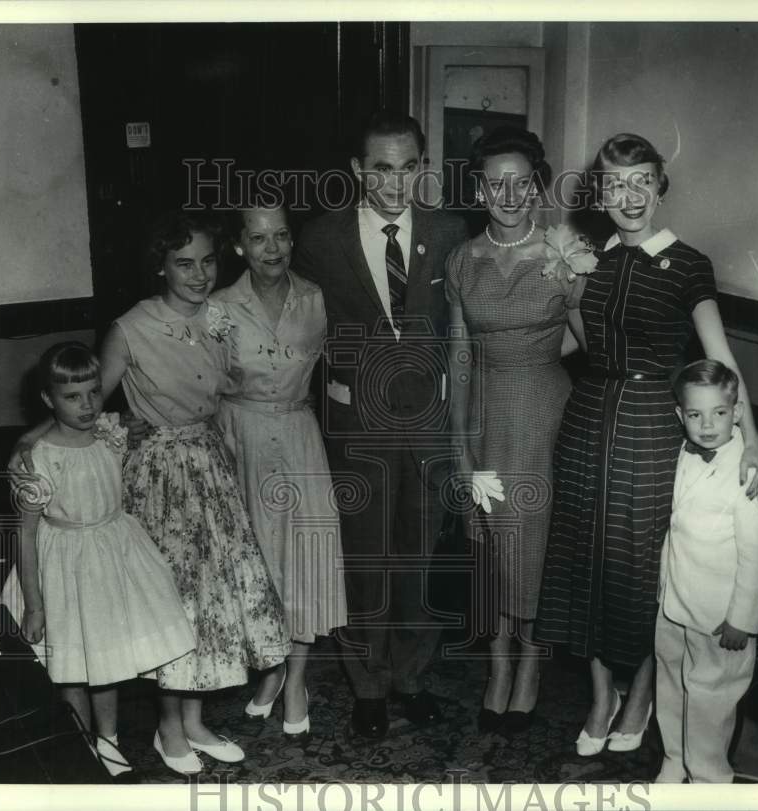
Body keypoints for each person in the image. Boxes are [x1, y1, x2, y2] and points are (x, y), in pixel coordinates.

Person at [11, 211, 290, 775]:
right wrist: (27, 440)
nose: (199, 274)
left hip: (210, 463)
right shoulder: (132, 326)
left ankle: (193, 722)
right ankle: (168, 730)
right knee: (174, 602)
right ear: (160, 267)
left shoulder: (221, 316)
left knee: (210, 600)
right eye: (183, 264)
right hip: (161, 476)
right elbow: (83, 404)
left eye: (207, 261)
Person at [536, 133, 758, 757]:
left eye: (642, 180)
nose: (630, 195)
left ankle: (640, 695)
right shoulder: (592, 261)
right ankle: (600, 697)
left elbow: (721, 360)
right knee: (584, 557)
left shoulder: (688, 264)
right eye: (616, 184)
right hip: (588, 418)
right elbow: (577, 344)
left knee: (641, 567)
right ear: (599, 195)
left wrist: (753, 442)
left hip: (650, 426)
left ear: (660, 188)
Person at [295, 110, 467, 739]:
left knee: (418, 559)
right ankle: (367, 684)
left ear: (424, 166)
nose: (396, 183)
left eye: (409, 167)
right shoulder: (321, 239)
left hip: (428, 423)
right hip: (357, 424)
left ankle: (411, 677)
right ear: (358, 170)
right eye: (382, 169)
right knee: (365, 558)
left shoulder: (450, 232)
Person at [445, 127, 594, 733]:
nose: (508, 195)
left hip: (542, 414)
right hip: (484, 416)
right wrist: (459, 445)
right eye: (494, 183)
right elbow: (459, 355)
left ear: (537, 188)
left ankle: (530, 663)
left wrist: (540, 356)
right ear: (479, 190)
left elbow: (592, 345)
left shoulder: (565, 255)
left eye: (521, 182)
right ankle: (498, 664)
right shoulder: (463, 259)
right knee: (490, 541)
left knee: (531, 541)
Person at [2, 342, 196, 778]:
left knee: (105, 660)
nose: (87, 404)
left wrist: (128, 422)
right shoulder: (37, 459)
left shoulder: (110, 432)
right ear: (48, 399)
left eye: (93, 392)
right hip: (64, 565)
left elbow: (132, 426)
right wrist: (34, 604)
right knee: (72, 666)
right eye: (72, 397)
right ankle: (82, 743)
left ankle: (109, 740)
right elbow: (26, 535)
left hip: (114, 553)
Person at [211, 203, 347, 737]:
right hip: (239, 438)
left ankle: (296, 680)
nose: (273, 248)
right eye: (259, 238)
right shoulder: (218, 307)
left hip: (297, 436)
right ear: (239, 246)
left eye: (282, 236)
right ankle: (270, 670)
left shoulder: (316, 298)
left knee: (305, 562)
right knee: (259, 566)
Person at [654, 359, 758, 783]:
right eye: (695, 414)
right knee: (671, 684)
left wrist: (742, 618)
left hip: (721, 617)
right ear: (680, 415)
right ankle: (674, 759)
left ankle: (709, 780)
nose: (707, 425)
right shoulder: (682, 452)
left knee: (710, 701)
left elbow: (756, 554)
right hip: (674, 602)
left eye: (719, 413)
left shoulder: (751, 472)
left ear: (737, 412)